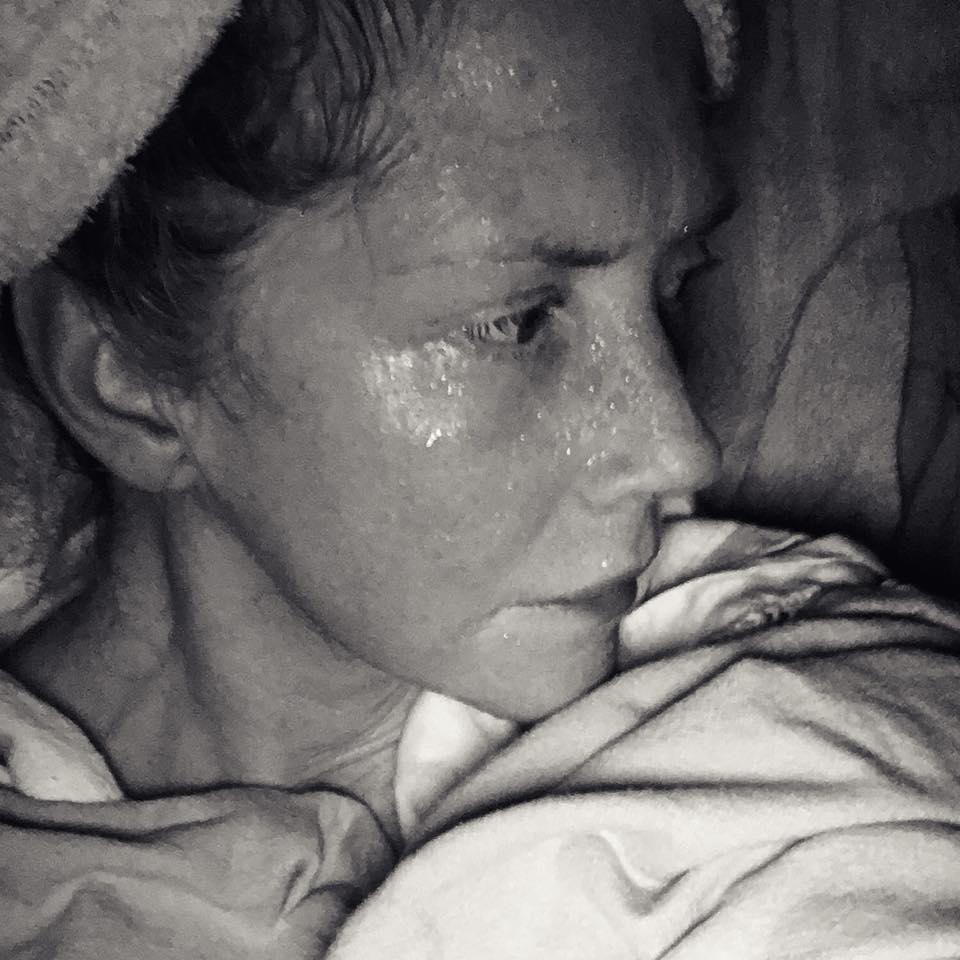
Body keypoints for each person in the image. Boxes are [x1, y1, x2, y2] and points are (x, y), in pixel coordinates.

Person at [1, 1, 959, 957]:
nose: (681, 449)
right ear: (130, 382)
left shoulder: (797, 685)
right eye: (517, 323)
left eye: (675, 286)